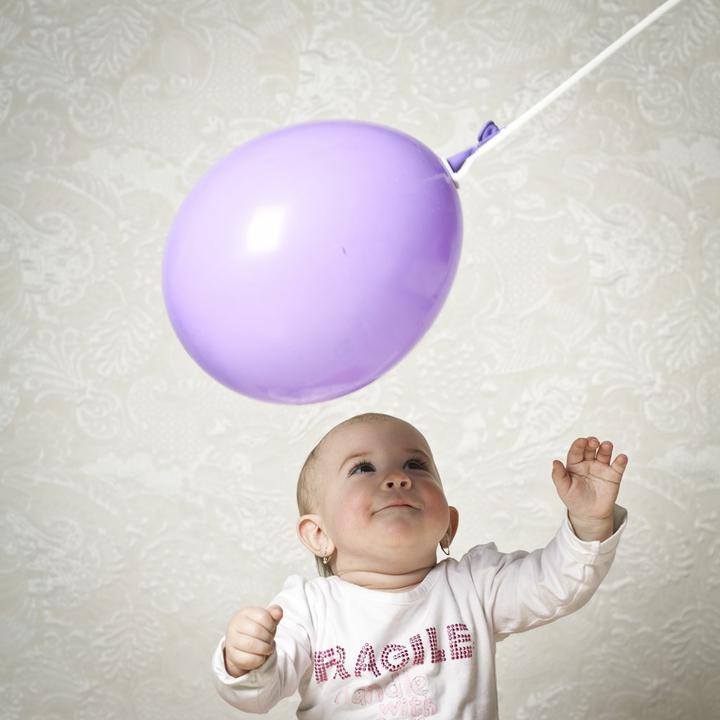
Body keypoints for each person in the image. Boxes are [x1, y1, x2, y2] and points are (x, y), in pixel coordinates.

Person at [212, 412, 629, 718]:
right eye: (362, 468)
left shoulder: (474, 585)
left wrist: (589, 521)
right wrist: (245, 660)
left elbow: (556, 583)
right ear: (319, 534)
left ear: (448, 525)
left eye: (415, 464)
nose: (397, 478)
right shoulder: (308, 609)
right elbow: (258, 694)